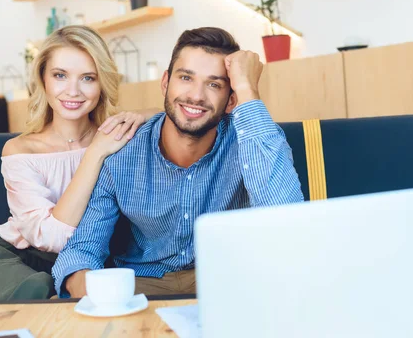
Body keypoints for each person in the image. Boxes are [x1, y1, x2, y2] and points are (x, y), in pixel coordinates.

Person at [52, 27, 304, 298]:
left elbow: (285, 220)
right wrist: (87, 286)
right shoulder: (122, 151)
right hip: (142, 285)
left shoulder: (252, 139)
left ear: (231, 100)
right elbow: (83, 249)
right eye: (186, 78)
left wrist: (247, 88)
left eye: (214, 84)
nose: (196, 96)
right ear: (165, 83)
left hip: (229, 282)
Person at [0, 26, 156, 301]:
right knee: (36, 293)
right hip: (19, 257)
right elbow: (50, 238)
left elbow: (178, 114)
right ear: (43, 80)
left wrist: (143, 115)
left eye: (88, 78)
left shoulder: (115, 135)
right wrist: (95, 152)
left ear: (102, 84)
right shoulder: (21, 150)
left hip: (93, 254)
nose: (72, 91)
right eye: (60, 75)